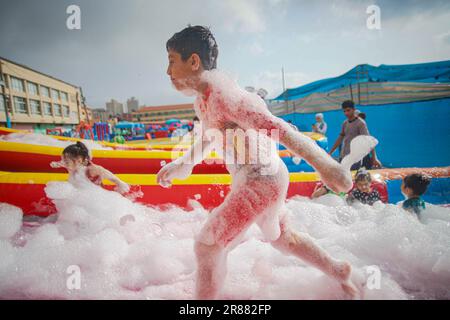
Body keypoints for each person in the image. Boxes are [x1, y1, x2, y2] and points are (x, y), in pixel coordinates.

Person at [157, 25, 377, 300]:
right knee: (284, 238)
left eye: (171, 61)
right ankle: (338, 271)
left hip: (263, 179)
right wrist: (184, 164)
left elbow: (278, 128)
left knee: (207, 245)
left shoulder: (230, 97)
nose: (168, 72)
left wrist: (326, 167)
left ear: (193, 61)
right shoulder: (203, 103)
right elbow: (210, 137)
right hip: (257, 178)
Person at [50, 141, 130, 194]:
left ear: (79, 160)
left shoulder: (90, 170)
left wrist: (120, 183)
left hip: (96, 199)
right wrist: (57, 164)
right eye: (63, 160)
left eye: (66, 161)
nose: (64, 163)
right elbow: (63, 164)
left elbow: (105, 172)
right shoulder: (74, 167)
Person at [328, 100, 381, 170]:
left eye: (348, 110)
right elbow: (340, 138)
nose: (346, 113)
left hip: (355, 158)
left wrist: (374, 158)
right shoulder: (345, 123)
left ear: (354, 110)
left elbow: (369, 141)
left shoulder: (360, 123)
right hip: (344, 156)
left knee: (352, 178)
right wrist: (330, 152)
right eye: (344, 111)